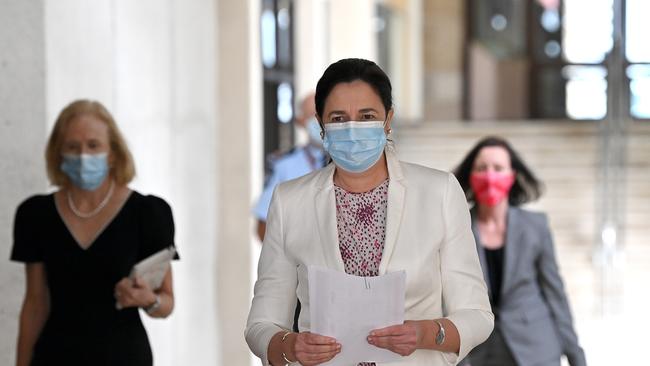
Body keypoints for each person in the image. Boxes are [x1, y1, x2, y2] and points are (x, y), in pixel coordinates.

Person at [245, 58, 493, 366]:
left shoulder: (439, 192)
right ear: (320, 124)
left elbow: (478, 316)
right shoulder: (289, 200)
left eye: (367, 116)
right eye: (338, 118)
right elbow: (260, 324)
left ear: (388, 119)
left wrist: (426, 333)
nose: (352, 128)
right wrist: (290, 346)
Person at [11, 99, 179, 366]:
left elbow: (167, 302)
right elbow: (35, 303)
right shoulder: (35, 215)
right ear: (59, 153)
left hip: (124, 356)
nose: (83, 156)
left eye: (93, 145)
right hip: (54, 356)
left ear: (112, 152)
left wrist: (148, 300)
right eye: (72, 147)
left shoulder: (148, 213)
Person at [453, 136, 586, 366]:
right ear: (471, 177)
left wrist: (575, 355)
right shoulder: (456, 228)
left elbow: (555, 294)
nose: (490, 175)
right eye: (482, 168)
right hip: (480, 354)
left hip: (537, 348)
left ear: (512, 176)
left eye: (498, 168)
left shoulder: (536, 226)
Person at [253, 92, 327, 241]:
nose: (321, 121)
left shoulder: (351, 160)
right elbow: (263, 225)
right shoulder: (285, 165)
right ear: (300, 121)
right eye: (313, 115)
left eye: (325, 114)